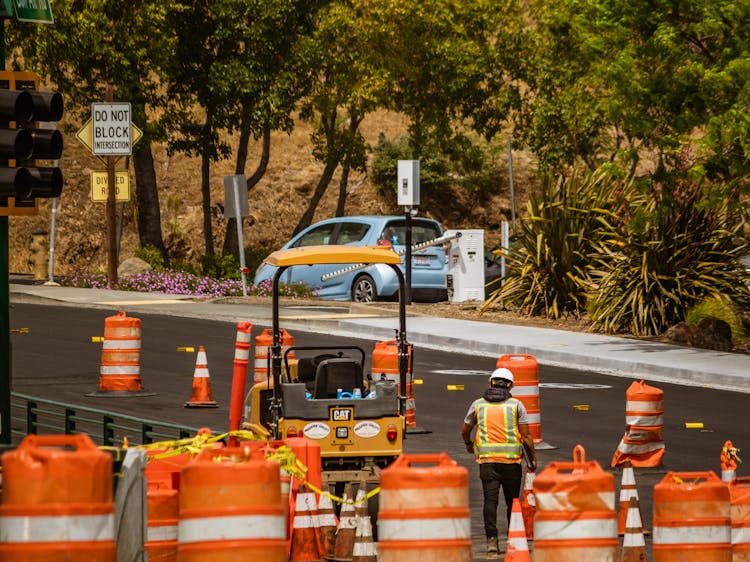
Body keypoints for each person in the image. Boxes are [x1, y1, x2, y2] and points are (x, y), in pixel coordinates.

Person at [461, 367, 536, 559]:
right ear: (511, 385)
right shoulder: (516, 405)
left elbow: (465, 429)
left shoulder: (478, 405)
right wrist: (532, 459)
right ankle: (513, 540)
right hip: (511, 463)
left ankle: (491, 545)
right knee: (513, 503)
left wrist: (469, 444)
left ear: (490, 382)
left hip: (487, 463)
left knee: (490, 502)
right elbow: (526, 436)